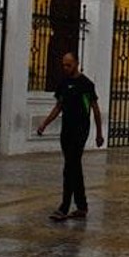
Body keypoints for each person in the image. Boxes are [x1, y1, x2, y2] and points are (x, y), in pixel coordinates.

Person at [36, 53, 104, 221]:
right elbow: (58, 107)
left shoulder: (86, 84)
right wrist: (45, 123)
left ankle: (64, 206)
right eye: (64, 65)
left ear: (76, 64)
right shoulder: (63, 84)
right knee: (74, 167)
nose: (66, 68)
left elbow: (94, 108)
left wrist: (99, 133)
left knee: (69, 167)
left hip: (80, 130)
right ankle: (82, 206)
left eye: (69, 65)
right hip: (66, 130)